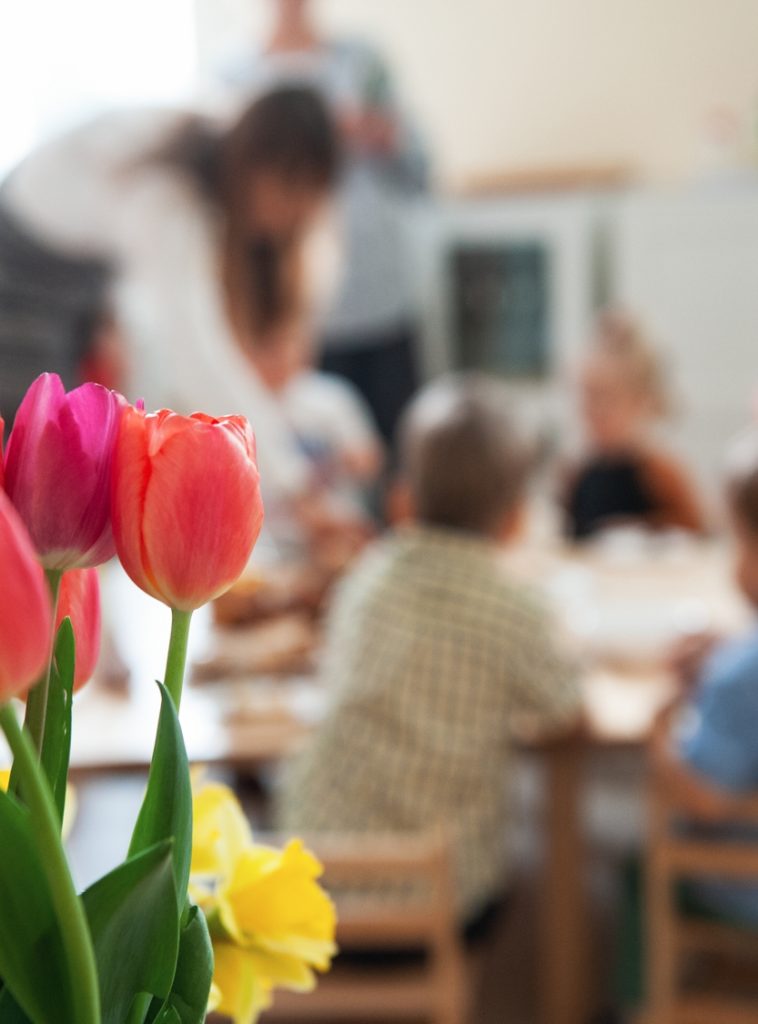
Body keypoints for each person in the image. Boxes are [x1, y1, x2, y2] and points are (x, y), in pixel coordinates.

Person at [276, 373, 581, 924]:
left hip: (317, 890)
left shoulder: (365, 580)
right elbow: (566, 714)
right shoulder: (515, 609)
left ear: (401, 501)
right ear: (515, 520)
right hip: (443, 906)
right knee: (505, 865)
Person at [0, 86, 339, 521]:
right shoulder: (170, 197)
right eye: (292, 189)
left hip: (72, 272)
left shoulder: (202, 153)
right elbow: (195, 351)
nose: (296, 213)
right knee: (37, 471)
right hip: (16, 270)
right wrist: (294, 485)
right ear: (256, 165)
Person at [220, 0, 428, 446]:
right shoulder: (234, 79)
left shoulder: (362, 61)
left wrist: (385, 135)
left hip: (383, 303)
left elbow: (422, 172)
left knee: (395, 448)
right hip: (290, 318)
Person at [563, 310, 706, 540]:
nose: (593, 411)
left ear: (640, 400)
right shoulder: (577, 473)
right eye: (586, 397)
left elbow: (698, 532)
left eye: (604, 398)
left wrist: (641, 530)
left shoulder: (660, 472)